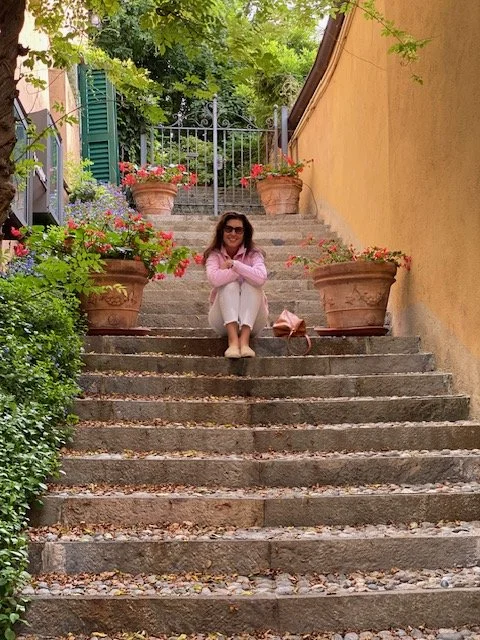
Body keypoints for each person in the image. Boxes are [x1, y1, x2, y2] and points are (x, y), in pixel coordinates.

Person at [203, 211, 268, 358]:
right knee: (230, 285)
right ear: (222, 231)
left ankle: (244, 342)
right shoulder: (214, 255)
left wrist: (235, 265)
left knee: (253, 285)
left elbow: (261, 278)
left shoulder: (254, 254)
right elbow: (214, 279)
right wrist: (243, 272)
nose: (233, 233)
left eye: (238, 230)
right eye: (229, 229)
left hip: (253, 322)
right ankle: (233, 342)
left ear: (245, 233)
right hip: (222, 322)